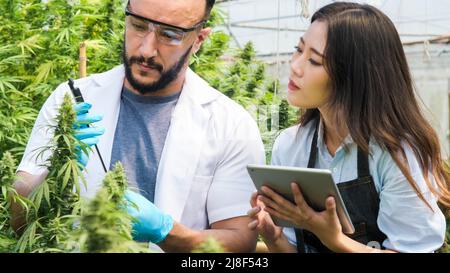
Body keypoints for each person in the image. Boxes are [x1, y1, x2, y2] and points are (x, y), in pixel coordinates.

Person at [13, 0, 265, 253]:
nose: (146, 50)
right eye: (138, 25)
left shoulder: (232, 125)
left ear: (199, 39)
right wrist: (56, 171)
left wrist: (167, 231)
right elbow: (18, 221)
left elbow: (240, 245)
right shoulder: (69, 99)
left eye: (169, 35)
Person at [247, 2, 449, 253]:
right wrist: (273, 237)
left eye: (314, 60)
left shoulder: (397, 153)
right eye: (298, 50)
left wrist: (335, 240)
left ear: (352, 76)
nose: (295, 66)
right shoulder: (290, 145)